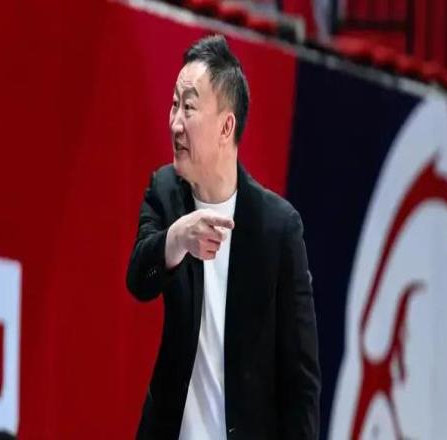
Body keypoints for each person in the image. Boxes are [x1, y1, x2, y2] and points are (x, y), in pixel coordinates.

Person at [126, 34, 321, 440]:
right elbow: (139, 279)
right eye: (174, 105)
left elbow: (301, 380)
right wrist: (177, 238)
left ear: (226, 126)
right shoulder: (166, 191)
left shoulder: (277, 228)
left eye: (189, 107)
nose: (175, 123)